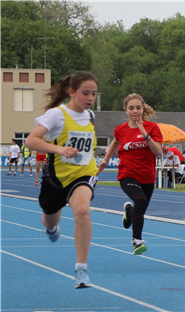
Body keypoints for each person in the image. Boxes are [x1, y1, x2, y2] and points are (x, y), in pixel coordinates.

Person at [25, 71, 99, 289]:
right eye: (85, 93)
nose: (90, 98)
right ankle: (50, 228)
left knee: (82, 210)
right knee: (50, 219)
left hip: (83, 173)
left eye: (94, 94)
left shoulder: (91, 116)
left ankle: (81, 269)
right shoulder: (56, 115)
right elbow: (31, 141)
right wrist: (59, 149)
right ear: (72, 92)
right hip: (56, 178)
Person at [97, 93, 163, 255]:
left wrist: (144, 133)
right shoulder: (121, 129)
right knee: (139, 201)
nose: (135, 111)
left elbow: (158, 152)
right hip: (128, 173)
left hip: (147, 176)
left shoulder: (152, 128)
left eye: (138, 108)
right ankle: (137, 242)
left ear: (142, 109)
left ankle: (129, 213)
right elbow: (115, 141)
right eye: (131, 108)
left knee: (139, 209)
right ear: (126, 110)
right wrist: (106, 159)